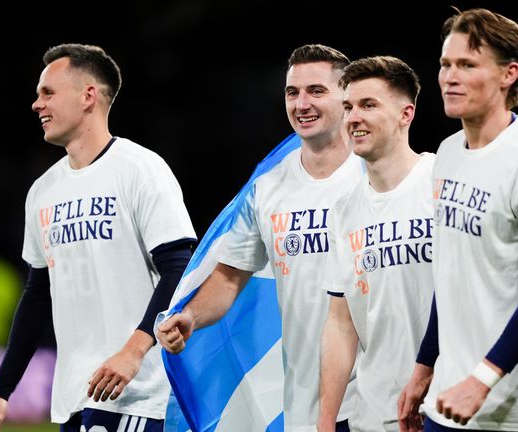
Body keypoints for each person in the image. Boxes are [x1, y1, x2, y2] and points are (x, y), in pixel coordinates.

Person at [0, 43, 197, 432]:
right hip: (75, 397)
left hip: (136, 393)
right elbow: (38, 295)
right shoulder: (43, 191)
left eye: (48, 92)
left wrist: (133, 352)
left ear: (88, 96)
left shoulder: (140, 169)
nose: (36, 104)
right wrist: (1, 391)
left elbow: (179, 269)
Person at [397, 7, 518, 432]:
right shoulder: (447, 154)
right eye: (445, 64)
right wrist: (424, 366)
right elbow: (452, 274)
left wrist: (481, 380)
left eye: (467, 65)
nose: (449, 76)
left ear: (509, 74)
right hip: (450, 403)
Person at [156, 44, 363, 431]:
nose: (302, 103)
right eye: (292, 92)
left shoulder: (378, 174)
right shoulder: (267, 188)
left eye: (316, 91)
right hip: (302, 401)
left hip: (373, 395)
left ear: (347, 97)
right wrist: (190, 316)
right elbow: (229, 276)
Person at [318, 56, 435, 432]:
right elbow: (341, 324)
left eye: (369, 105)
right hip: (373, 414)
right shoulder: (344, 209)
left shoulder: (443, 182)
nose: (353, 117)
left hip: (444, 407)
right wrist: (325, 423)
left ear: (406, 114)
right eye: (349, 106)